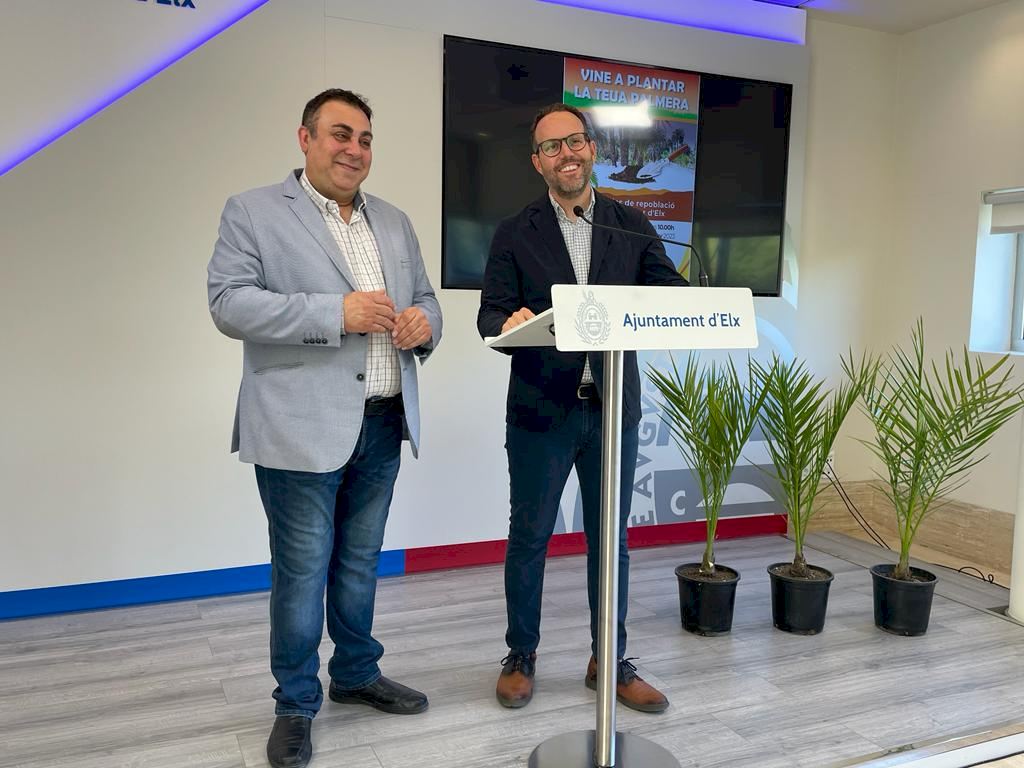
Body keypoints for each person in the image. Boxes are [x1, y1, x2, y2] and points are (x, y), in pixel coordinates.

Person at [208, 88, 442, 768]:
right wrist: (334, 313)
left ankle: (357, 673)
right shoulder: (253, 210)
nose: (355, 149)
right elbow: (229, 304)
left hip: (384, 421)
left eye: (365, 138)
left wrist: (425, 325)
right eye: (341, 134)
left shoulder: (393, 221)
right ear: (305, 138)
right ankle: (295, 703)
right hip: (298, 428)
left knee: (360, 564)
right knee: (302, 572)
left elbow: (426, 300)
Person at [477, 103, 684, 714]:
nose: (565, 154)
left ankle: (609, 660)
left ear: (592, 148)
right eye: (552, 147)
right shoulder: (514, 232)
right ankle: (521, 654)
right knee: (530, 537)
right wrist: (507, 321)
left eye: (574, 142)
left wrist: (685, 299)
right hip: (541, 412)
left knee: (610, 541)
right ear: (537, 162)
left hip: (614, 409)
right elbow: (490, 313)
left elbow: (666, 291)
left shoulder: (630, 223)